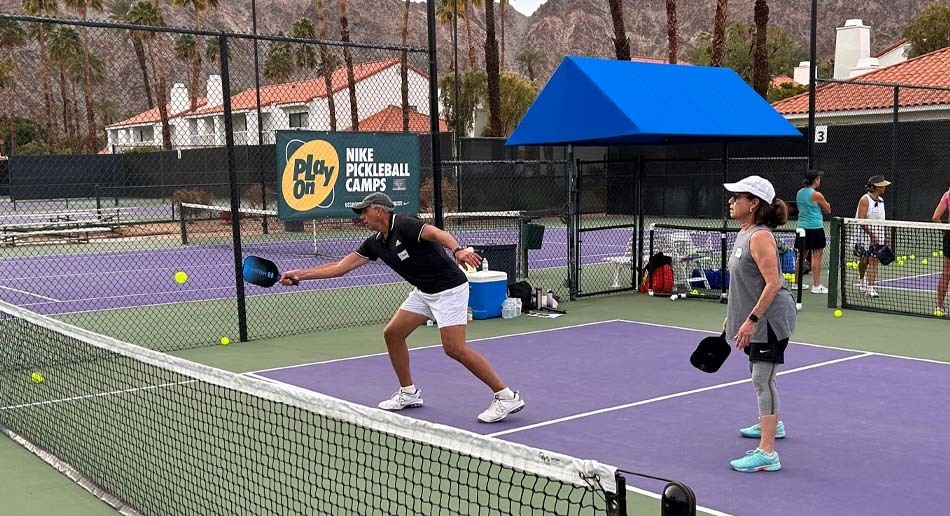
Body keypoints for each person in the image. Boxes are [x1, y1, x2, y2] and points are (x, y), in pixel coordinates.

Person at [279, 192, 525, 423]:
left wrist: (458, 250)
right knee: (393, 333)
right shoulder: (375, 243)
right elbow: (341, 267)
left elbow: (438, 234)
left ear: (378, 210)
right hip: (424, 292)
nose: (361, 218)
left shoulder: (405, 224)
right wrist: (300, 275)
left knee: (454, 349)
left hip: (449, 290)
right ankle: (408, 392)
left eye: (363, 212)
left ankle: (506, 396)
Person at [722, 176, 797, 473]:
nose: (731, 201)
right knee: (758, 373)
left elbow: (773, 283)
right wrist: (736, 314)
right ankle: (772, 424)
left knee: (761, 380)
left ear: (753, 203)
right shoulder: (745, 232)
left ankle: (768, 453)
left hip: (771, 320)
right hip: (757, 317)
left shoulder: (760, 236)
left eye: (737, 197)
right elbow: (745, 282)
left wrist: (751, 319)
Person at [853, 175, 891, 298]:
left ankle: (870, 287)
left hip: (877, 237)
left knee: (874, 261)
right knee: (864, 261)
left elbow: (881, 221)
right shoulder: (864, 200)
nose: (884, 187)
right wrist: (871, 235)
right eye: (882, 185)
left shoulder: (881, 201)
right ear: (876, 187)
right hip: (863, 236)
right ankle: (861, 279)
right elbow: (861, 220)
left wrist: (882, 236)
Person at [795, 170, 832, 294]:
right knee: (817, 256)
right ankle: (816, 286)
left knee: (802, 256)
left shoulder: (799, 193)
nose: (820, 180)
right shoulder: (817, 195)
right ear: (816, 180)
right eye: (819, 178)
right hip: (815, 228)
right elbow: (828, 210)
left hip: (802, 227)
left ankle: (796, 283)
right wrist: (827, 205)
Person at [932, 185, 950, 316]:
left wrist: (946, 231)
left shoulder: (947, 195)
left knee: (946, 274)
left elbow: (935, 217)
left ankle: (939, 306)